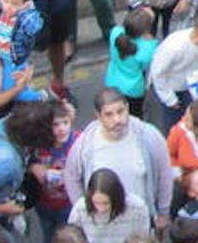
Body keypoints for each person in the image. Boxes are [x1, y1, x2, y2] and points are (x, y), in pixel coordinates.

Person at [61, 88, 173, 224]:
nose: (117, 119)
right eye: (109, 114)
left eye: (121, 111)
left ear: (127, 108)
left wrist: (163, 212)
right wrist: (85, 210)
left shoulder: (149, 136)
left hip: (140, 219)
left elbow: (165, 174)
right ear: (98, 116)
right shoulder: (85, 145)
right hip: (103, 222)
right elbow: (71, 176)